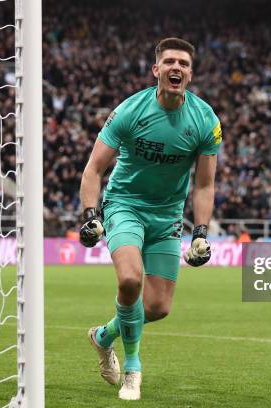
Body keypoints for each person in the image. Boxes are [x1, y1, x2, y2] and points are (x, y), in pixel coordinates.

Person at [78, 37, 222, 400]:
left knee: (157, 308)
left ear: (190, 73)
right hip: (125, 204)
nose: (177, 68)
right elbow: (94, 169)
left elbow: (204, 185)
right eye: (170, 62)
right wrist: (91, 216)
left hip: (168, 216)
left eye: (184, 64)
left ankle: (103, 336)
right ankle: (132, 369)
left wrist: (200, 234)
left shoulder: (206, 120)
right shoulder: (129, 111)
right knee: (130, 280)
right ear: (156, 70)